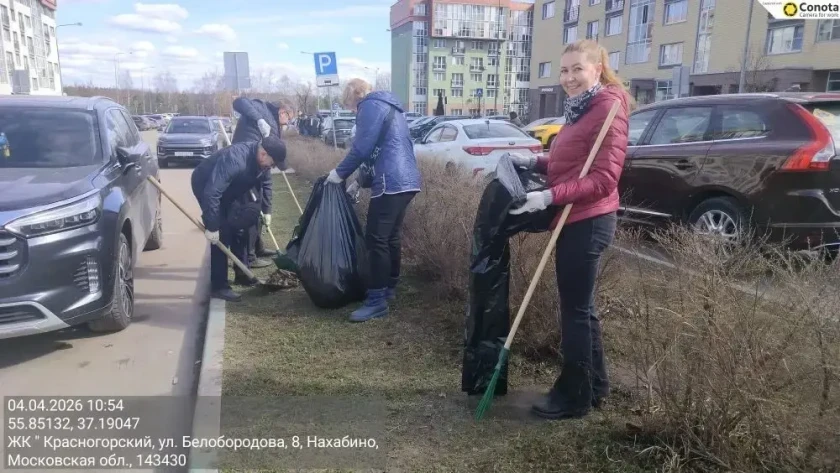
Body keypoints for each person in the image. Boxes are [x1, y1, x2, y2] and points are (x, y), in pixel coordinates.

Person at [507, 39, 631, 420]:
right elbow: (572, 160)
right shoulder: (582, 109)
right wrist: (536, 161)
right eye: (563, 70)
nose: (569, 77)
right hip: (575, 217)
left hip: (588, 220)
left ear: (597, 68)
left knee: (574, 312)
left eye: (577, 68)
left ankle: (574, 397)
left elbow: (604, 179)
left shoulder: (608, 108)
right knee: (583, 309)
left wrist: (549, 197)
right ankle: (595, 386)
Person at [326, 78, 422, 323]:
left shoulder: (369, 106)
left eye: (349, 105)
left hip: (391, 181)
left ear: (354, 97)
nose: (350, 110)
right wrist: (359, 181)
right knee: (390, 236)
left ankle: (377, 300)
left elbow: (361, 149)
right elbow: (378, 151)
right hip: (408, 179)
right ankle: (389, 286)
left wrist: (339, 173)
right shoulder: (390, 107)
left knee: (376, 238)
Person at [191, 136, 287, 302]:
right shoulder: (235, 160)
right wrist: (212, 225)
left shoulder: (261, 162)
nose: (271, 167)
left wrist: (266, 210)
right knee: (222, 233)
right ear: (263, 154)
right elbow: (212, 193)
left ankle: (242, 273)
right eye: (272, 163)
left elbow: (265, 184)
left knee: (244, 223)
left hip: (234, 186)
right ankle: (219, 286)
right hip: (206, 184)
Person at [230, 96, 284, 267]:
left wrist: (267, 210)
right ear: (283, 111)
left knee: (259, 203)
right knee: (251, 208)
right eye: (289, 118)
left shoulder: (274, 124)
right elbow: (238, 102)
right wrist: (259, 119)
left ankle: (257, 247)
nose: (287, 122)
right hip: (245, 165)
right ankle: (250, 258)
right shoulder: (262, 108)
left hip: (259, 163)